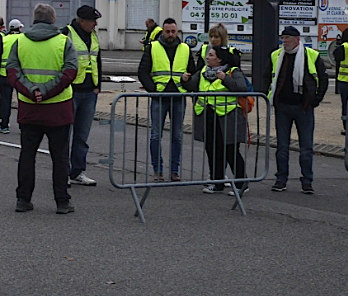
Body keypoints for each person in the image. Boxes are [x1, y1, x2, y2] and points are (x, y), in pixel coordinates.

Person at [6, 3, 78, 214]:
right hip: (58, 108)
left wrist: (31, 90)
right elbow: (70, 71)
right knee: (60, 157)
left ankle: (23, 199)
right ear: (53, 20)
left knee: (27, 156)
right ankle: (62, 202)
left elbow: (11, 70)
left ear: (34, 19)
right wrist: (46, 91)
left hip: (29, 108)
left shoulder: (20, 42)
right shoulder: (64, 42)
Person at [260, 26, 328, 194]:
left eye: (287, 38)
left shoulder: (311, 55)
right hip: (282, 106)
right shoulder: (276, 55)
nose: (284, 41)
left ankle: (307, 181)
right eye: (283, 38)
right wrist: (267, 95)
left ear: (297, 39)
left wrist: (315, 100)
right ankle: (280, 179)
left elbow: (323, 79)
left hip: (303, 107)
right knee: (282, 146)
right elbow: (266, 76)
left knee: (306, 147)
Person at [137, 18, 196, 182]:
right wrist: (153, 89)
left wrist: (187, 81)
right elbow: (142, 72)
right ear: (162, 32)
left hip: (178, 97)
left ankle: (174, 171)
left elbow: (193, 72)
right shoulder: (153, 47)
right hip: (159, 97)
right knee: (156, 136)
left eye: (173, 31)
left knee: (177, 136)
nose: (170, 34)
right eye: (167, 31)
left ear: (177, 32)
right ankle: (158, 171)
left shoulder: (185, 48)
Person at [184, 46, 248, 194]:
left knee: (231, 151)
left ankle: (241, 183)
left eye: (211, 55)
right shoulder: (203, 72)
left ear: (219, 59)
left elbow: (241, 88)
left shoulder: (233, 71)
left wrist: (225, 79)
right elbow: (192, 86)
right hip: (209, 115)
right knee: (213, 151)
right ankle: (217, 182)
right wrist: (185, 80)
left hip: (228, 116)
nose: (207, 57)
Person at [62, 5, 103, 187]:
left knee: (82, 135)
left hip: (89, 92)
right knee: (64, 135)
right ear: (82, 21)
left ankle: (77, 171)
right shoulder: (66, 34)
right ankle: (62, 173)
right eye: (92, 21)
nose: (95, 24)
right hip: (71, 91)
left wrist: (97, 86)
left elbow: (97, 60)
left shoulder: (93, 36)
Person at [0, 19, 23, 134]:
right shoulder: (24, 39)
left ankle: (4, 125)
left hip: (5, 75)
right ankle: (23, 126)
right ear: (19, 28)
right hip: (21, 76)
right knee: (22, 101)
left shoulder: (3, 39)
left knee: (5, 101)